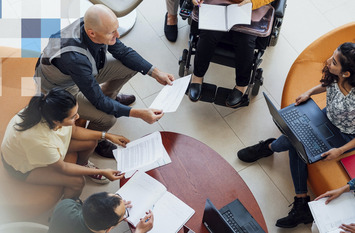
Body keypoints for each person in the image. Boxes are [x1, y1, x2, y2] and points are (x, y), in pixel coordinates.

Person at [237, 42, 355, 228]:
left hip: (345, 136)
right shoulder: (338, 77)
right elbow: (327, 86)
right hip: (326, 116)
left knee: (295, 144)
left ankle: (269, 147)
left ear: (346, 73)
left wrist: (339, 150)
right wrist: (309, 93)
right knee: (296, 141)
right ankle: (300, 202)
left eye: (334, 61)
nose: (328, 61)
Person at [35, 4, 175, 158]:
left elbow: (123, 52)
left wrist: (155, 72)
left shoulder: (92, 25)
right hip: (61, 88)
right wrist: (139, 114)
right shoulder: (75, 58)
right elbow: (98, 101)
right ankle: (98, 141)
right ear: (92, 33)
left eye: (117, 29)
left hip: (84, 72)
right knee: (107, 118)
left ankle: (111, 98)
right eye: (111, 33)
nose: (118, 35)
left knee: (131, 66)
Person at [0, 88, 130, 199]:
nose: (78, 117)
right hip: (24, 166)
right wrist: (103, 171)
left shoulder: (47, 109)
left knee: (91, 142)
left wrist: (107, 136)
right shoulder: (38, 141)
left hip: (43, 149)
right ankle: (68, 207)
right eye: (73, 117)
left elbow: (74, 131)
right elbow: (62, 167)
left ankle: (83, 165)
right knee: (77, 182)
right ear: (57, 121)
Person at [187, 0, 274, 107]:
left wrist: (252, 2)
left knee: (245, 41)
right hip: (218, 3)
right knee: (208, 33)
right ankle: (197, 76)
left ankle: (242, 85)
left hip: (249, 8)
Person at [48, 192, 154, 233]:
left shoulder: (65, 205)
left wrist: (117, 205)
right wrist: (139, 231)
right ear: (109, 229)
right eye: (124, 215)